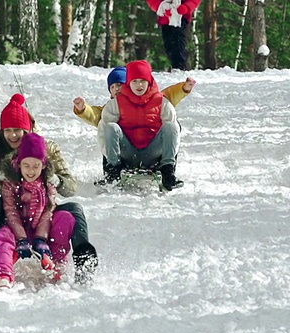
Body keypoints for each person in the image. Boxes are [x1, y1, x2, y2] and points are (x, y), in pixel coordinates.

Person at [0, 93, 97, 284]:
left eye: (18, 130)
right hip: (11, 211)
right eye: (8, 130)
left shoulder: (46, 149)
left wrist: (58, 180)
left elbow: (71, 187)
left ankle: (83, 260)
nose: (13, 135)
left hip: (44, 210)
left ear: (27, 129)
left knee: (74, 209)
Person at [72, 66, 196, 176]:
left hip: (151, 147)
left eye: (120, 85)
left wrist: (184, 88)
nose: (116, 89)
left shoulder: (155, 99)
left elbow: (170, 94)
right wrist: (83, 109)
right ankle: (112, 169)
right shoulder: (112, 107)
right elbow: (95, 115)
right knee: (107, 128)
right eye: (113, 87)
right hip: (126, 149)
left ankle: (167, 168)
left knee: (174, 126)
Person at [0, 132, 75, 289]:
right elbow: (10, 210)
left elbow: (49, 210)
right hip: (18, 229)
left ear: (43, 165)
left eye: (36, 166)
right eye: (26, 165)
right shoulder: (11, 182)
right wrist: (21, 238)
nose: (30, 171)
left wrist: (41, 239)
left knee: (65, 218)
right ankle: (3, 274)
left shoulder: (48, 183)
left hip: (42, 230)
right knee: (3, 237)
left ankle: (57, 265)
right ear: (19, 164)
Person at [98, 60, 184, 191]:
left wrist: (170, 159)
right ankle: (113, 172)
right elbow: (103, 132)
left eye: (143, 81)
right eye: (135, 81)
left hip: (153, 151)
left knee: (172, 126)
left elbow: (174, 135)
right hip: (127, 152)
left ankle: (168, 172)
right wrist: (109, 157)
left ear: (149, 81)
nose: (139, 85)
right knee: (111, 127)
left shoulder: (162, 102)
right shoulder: (116, 103)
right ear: (128, 82)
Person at [146, 0, 202, 71]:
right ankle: (175, 64)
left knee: (178, 41)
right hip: (165, 19)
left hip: (181, 17)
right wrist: (161, 7)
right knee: (168, 44)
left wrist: (187, 7)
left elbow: (194, 1)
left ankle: (180, 66)